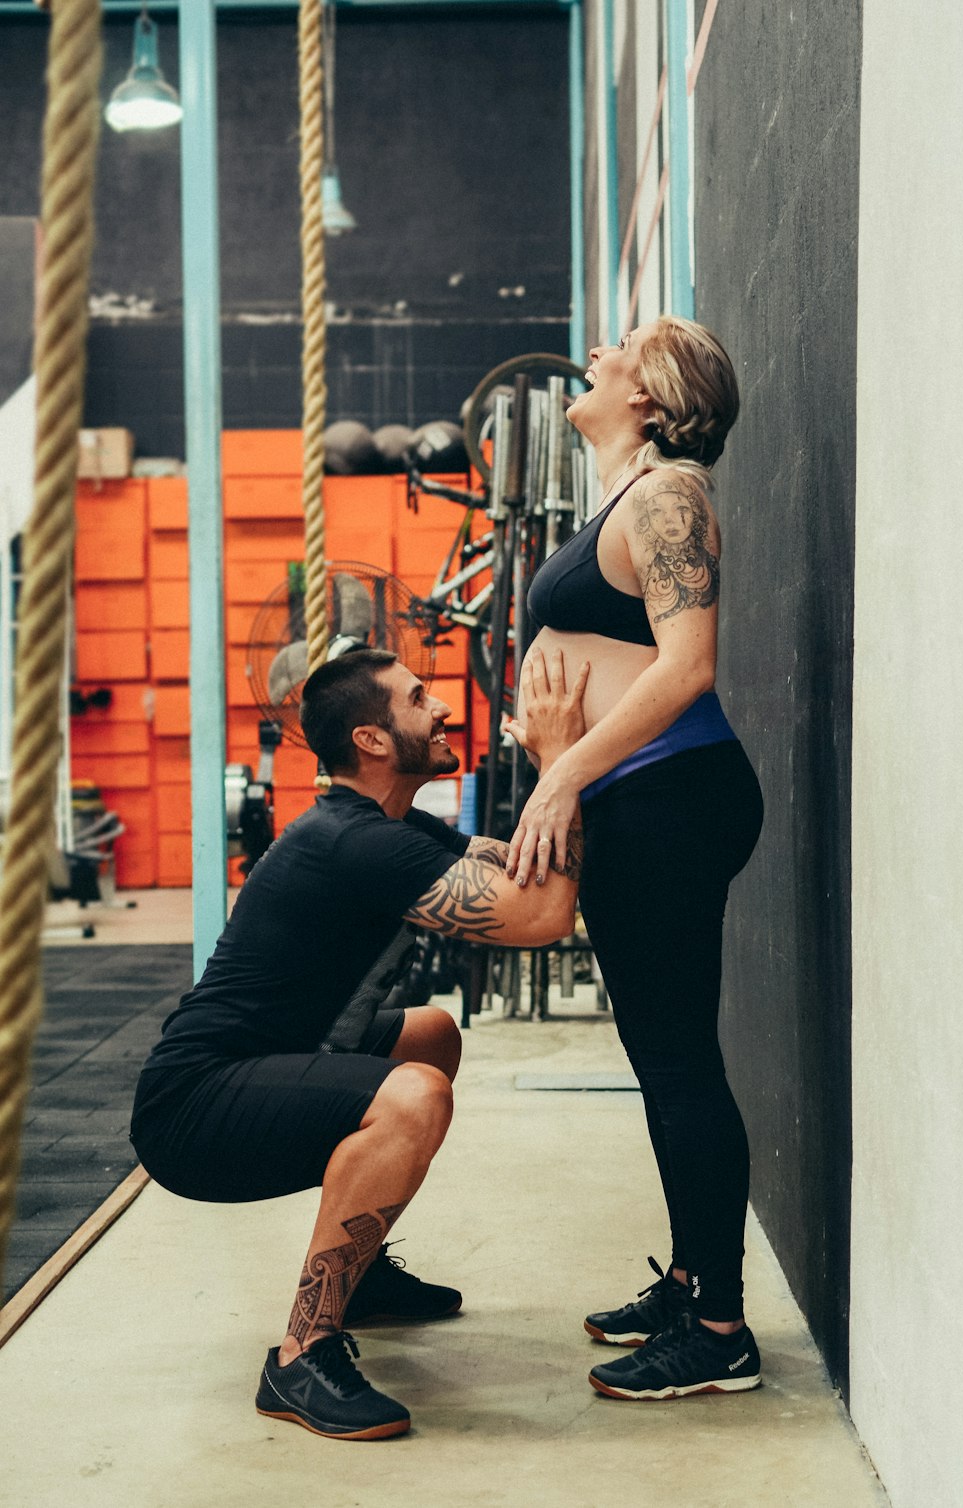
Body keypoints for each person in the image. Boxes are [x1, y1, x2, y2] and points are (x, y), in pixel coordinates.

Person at [130, 647, 587, 1442]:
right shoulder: (358, 843)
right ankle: (302, 1352)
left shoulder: (395, 828)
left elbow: (518, 872)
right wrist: (562, 764)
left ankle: (360, 1275)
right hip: (192, 1109)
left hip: (262, 1064)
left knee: (432, 1035)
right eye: (418, 698)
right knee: (417, 1095)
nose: (440, 706)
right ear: (374, 740)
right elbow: (544, 918)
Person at [504, 315, 764, 1402]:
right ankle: (694, 1274)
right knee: (662, 1057)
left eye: (619, 346)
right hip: (634, 798)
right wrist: (562, 767)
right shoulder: (618, 499)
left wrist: (561, 774)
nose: (596, 353)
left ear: (651, 397)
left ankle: (718, 1328)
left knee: (676, 1060)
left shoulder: (667, 495)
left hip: (670, 800)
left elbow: (687, 665)